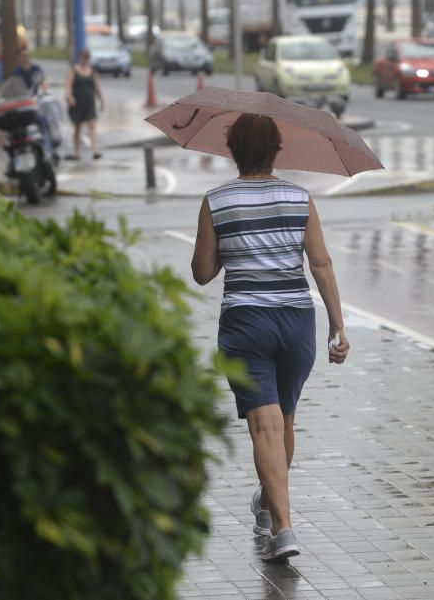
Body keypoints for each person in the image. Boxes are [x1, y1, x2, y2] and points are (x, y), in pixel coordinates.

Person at [190, 113, 350, 562]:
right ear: (276, 150)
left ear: (232, 151)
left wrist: (231, 244)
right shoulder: (299, 198)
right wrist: (338, 324)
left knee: (265, 425)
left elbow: (202, 273)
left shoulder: (216, 201)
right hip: (297, 322)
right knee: (284, 421)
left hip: (246, 324)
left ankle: (282, 525)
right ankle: (269, 508)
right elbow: (321, 264)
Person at [11, 48, 59, 161]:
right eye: (23, 56)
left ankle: (48, 150)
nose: (26, 58)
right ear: (19, 57)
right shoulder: (15, 72)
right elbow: (11, 88)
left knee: (43, 122)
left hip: (33, 104)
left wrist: (45, 93)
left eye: (27, 55)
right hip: (20, 105)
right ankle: (14, 159)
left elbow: (43, 83)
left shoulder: (36, 69)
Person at [65, 49, 104, 161]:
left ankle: (95, 150)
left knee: (92, 125)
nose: (84, 60)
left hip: (89, 102)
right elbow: (68, 85)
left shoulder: (92, 71)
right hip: (77, 102)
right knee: (77, 128)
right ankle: (76, 152)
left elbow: (96, 87)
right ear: (80, 58)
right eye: (83, 58)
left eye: (86, 58)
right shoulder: (74, 70)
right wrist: (69, 97)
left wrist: (101, 100)